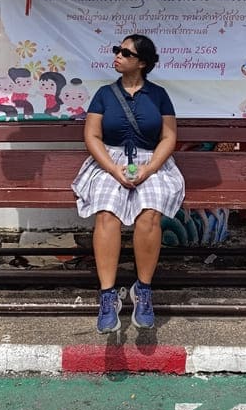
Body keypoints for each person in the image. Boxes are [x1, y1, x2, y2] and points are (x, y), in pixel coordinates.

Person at [71, 34, 185, 333]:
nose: (117, 56)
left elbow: (168, 137)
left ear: (142, 62)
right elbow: (92, 136)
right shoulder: (104, 94)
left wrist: (149, 169)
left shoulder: (159, 95)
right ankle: (108, 295)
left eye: (125, 52)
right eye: (117, 50)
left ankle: (143, 290)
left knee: (150, 212)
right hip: (108, 162)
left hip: (150, 162)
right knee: (106, 212)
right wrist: (112, 168)